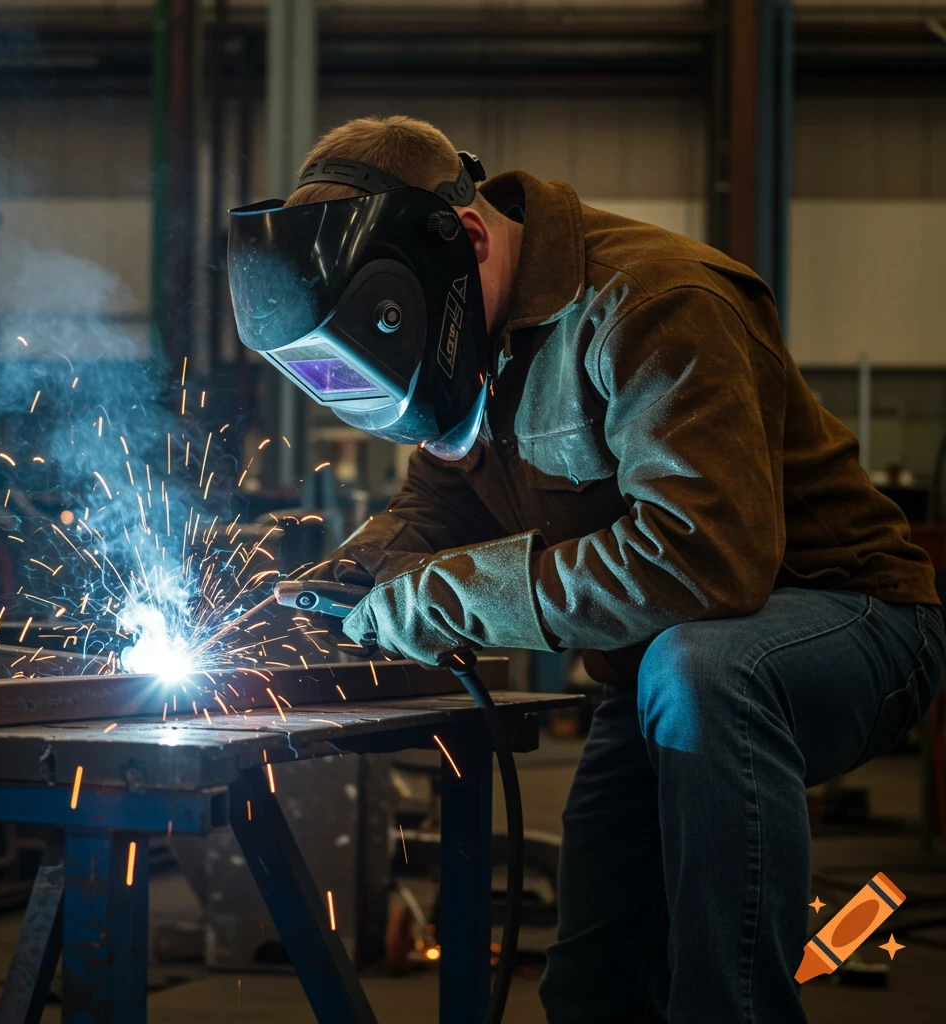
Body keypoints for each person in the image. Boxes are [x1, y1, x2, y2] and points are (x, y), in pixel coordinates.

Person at [231, 115, 945, 1023]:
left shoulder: (653, 303)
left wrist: (446, 598)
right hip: (655, 669)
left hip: (849, 621)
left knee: (704, 665)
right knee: (591, 987)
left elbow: (707, 560)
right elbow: (439, 503)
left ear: (469, 239)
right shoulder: (467, 341)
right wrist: (335, 582)